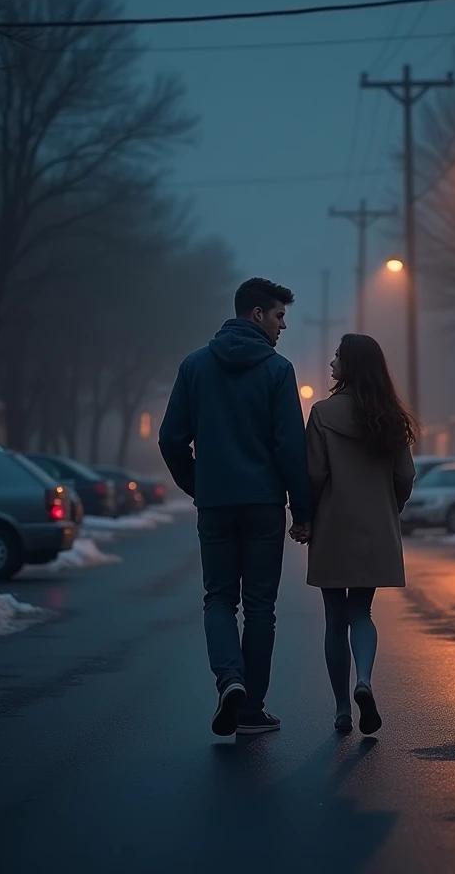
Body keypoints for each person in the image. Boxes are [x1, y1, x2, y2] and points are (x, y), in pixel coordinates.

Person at [159, 278, 312, 737]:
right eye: (280, 316)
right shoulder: (278, 371)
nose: (284, 326)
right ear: (257, 315)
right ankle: (252, 707)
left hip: (217, 505)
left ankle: (231, 681)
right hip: (264, 505)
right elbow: (290, 447)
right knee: (261, 606)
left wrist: (198, 485)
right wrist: (301, 509)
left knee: (219, 599)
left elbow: (170, 439)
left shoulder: (195, 367)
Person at [293, 334, 416, 735]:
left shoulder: (323, 413)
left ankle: (342, 709)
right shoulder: (391, 418)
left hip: (333, 525)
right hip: (375, 525)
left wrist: (304, 516)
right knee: (361, 612)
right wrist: (389, 508)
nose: (331, 365)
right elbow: (405, 475)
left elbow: (313, 474)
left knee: (335, 619)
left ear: (351, 365)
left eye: (337, 358)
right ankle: (364, 680)